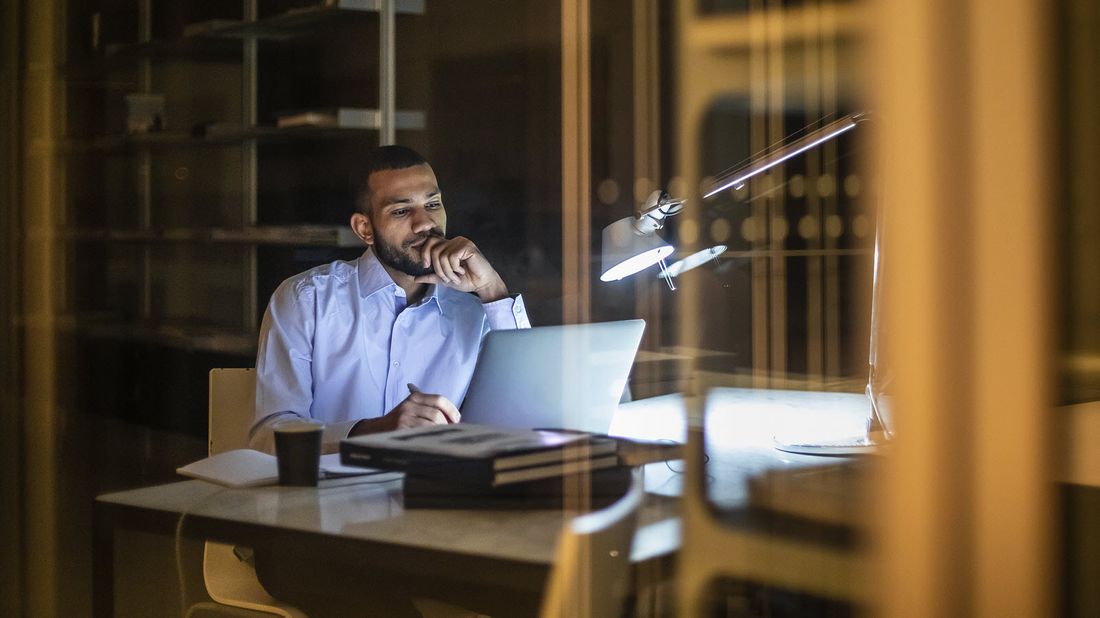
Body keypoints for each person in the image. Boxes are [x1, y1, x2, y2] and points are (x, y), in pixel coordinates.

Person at [250, 145, 531, 453]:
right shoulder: (307, 300)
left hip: (437, 493)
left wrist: (493, 290)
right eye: (401, 211)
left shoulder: (476, 312)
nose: (425, 223)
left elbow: (529, 411)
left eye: (433, 204)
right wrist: (374, 431)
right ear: (365, 228)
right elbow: (268, 439)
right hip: (329, 497)